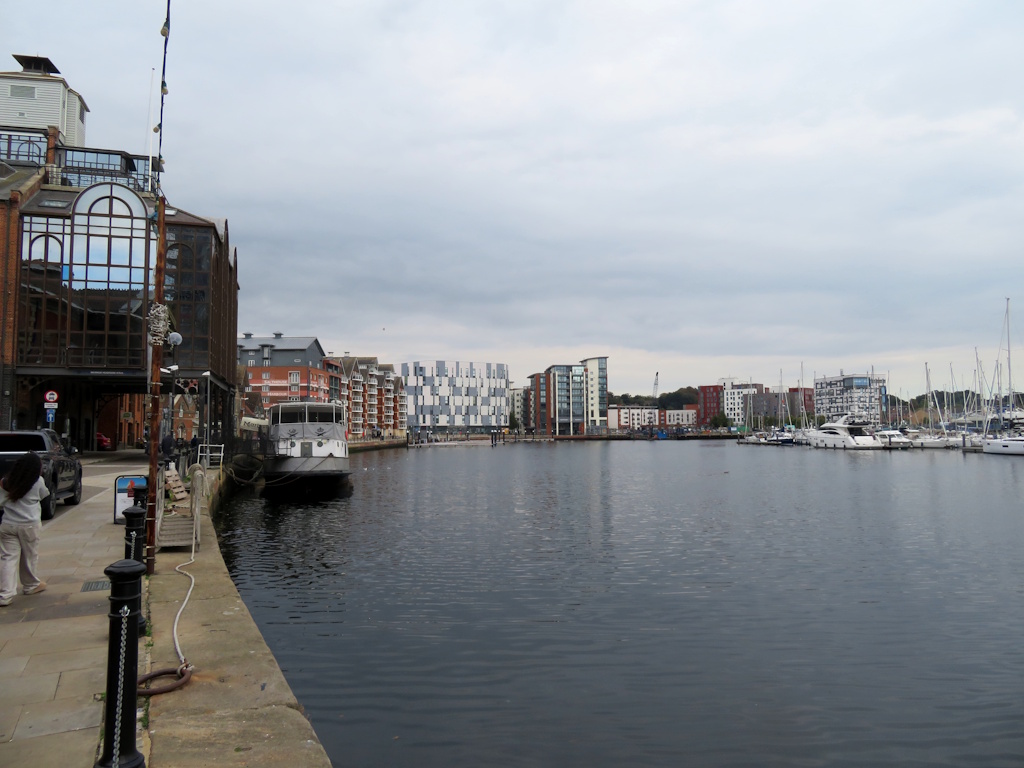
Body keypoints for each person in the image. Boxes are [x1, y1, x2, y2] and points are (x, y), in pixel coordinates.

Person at [0, 451, 49, 607]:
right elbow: (43, 495)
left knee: (8, 558)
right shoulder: (38, 481)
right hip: (30, 525)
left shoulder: (5, 482)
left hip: (8, 524)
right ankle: (30, 585)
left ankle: (5, 595)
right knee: (29, 556)